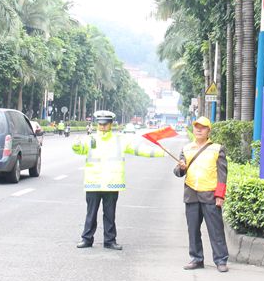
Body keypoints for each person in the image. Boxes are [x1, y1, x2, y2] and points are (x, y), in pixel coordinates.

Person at [73, 110, 164, 250]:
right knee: (91, 214)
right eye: (100, 124)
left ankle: (110, 241)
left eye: (105, 124)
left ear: (111, 124)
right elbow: (79, 150)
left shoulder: (120, 140)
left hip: (111, 183)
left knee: (110, 215)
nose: (103, 126)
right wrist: (76, 144)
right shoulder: (90, 139)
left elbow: (139, 149)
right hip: (93, 182)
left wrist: (160, 152)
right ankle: (86, 239)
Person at [173, 116, 229, 272]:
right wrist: (181, 168)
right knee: (193, 230)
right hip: (191, 194)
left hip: (210, 195)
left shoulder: (217, 149)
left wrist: (220, 195)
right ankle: (196, 259)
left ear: (208, 131)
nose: (199, 130)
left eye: (203, 127)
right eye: (196, 127)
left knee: (216, 230)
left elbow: (222, 174)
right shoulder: (186, 149)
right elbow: (177, 172)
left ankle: (221, 260)